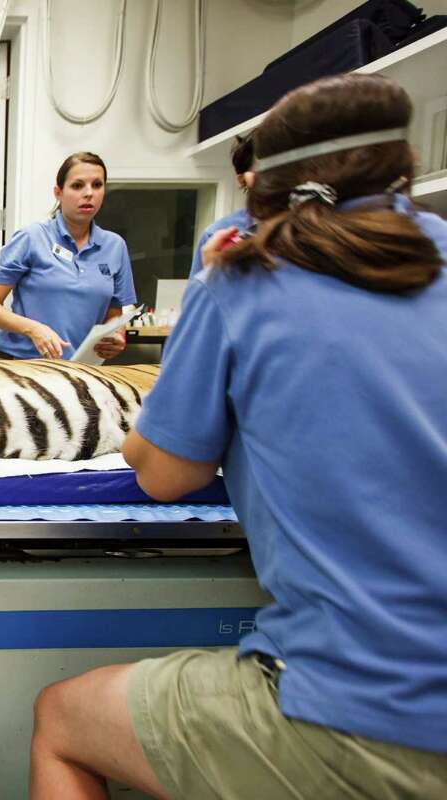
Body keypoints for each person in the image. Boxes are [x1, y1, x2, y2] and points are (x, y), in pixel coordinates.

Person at [29, 73, 447, 800]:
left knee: (60, 719)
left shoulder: (244, 275)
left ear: (263, 183)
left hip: (370, 710)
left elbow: (166, 474)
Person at [0, 152, 136, 362]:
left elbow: (114, 315)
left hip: (78, 370)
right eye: (77, 185)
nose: (89, 193)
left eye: (97, 185)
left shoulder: (115, 247)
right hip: (19, 366)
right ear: (58, 192)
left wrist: (117, 336)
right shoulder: (32, 238)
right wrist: (33, 329)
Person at [189, 134, 256, 277]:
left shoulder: (308, 229)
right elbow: (200, 296)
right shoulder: (215, 237)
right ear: (242, 179)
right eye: (260, 169)